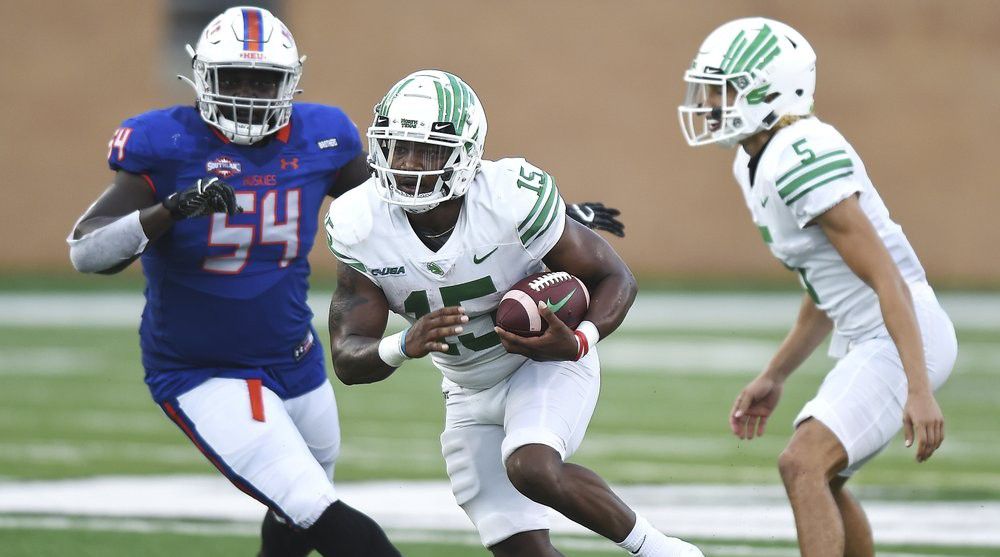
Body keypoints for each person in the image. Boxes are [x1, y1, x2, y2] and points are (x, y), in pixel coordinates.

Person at [66, 7, 626, 556]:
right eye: (233, 78)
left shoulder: (322, 135)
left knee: (295, 513)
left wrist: (552, 215)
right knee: (315, 507)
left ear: (292, 82)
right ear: (200, 77)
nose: (249, 95)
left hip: (294, 357)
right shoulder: (161, 142)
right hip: (201, 365)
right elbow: (88, 253)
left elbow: (409, 190)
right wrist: (168, 210)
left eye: (264, 81)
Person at [324, 69, 703, 557]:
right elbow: (347, 359)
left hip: (541, 365)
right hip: (464, 386)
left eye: (430, 151)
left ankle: (662, 551)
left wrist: (580, 340)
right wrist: (403, 344)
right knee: (518, 548)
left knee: (532, 466)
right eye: (400, 148)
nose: (410, 165)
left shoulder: (509, 198)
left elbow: (615, 278)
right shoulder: (359, 222)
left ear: (465, 154)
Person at [677, 17, 958, 557]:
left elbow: (884, 276)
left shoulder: (800, 154)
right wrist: (774, 374)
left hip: (902, 334)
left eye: (725, 88)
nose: (711, 102)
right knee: (822, 475)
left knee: (802, 462)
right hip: (878, 334)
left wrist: (918, 388)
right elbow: (826, 289)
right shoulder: (754, 158)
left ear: (768, 90)